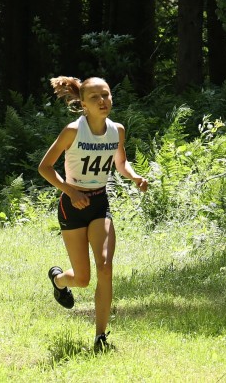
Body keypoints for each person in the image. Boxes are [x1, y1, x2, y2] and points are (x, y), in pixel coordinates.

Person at [38, 76, 148, 351]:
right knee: (83, 279)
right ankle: (59, 279)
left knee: (105, 267)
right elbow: (45, 167)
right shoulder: (73, 131)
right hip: (72, 206)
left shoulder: (117, 130)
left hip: (99, 204)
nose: (103, 101)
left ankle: (100, 337)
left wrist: (134, 177)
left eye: (106, 95)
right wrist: (71, 192)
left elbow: (120, 162)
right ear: (83, 104)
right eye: (95, 97)